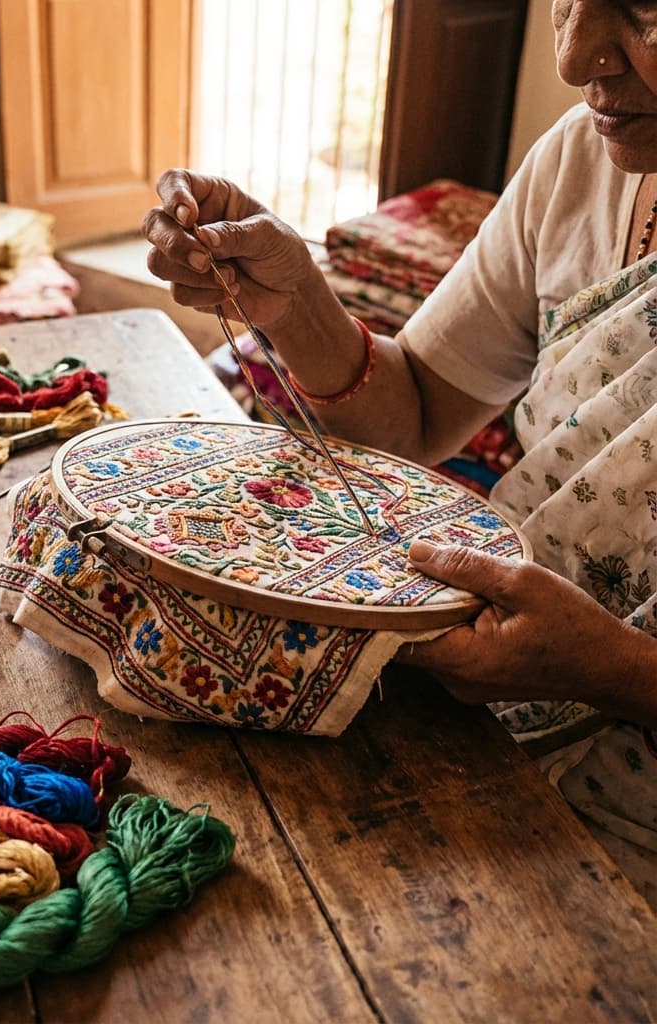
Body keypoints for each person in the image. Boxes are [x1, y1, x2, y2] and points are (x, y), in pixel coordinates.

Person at [143, 0, 657, 908]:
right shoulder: (583, 161)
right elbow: (418, 412)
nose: (578, 60)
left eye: (648, 11)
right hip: (482, 719)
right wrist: (298, 301)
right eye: (567, 1)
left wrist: (614, 670)